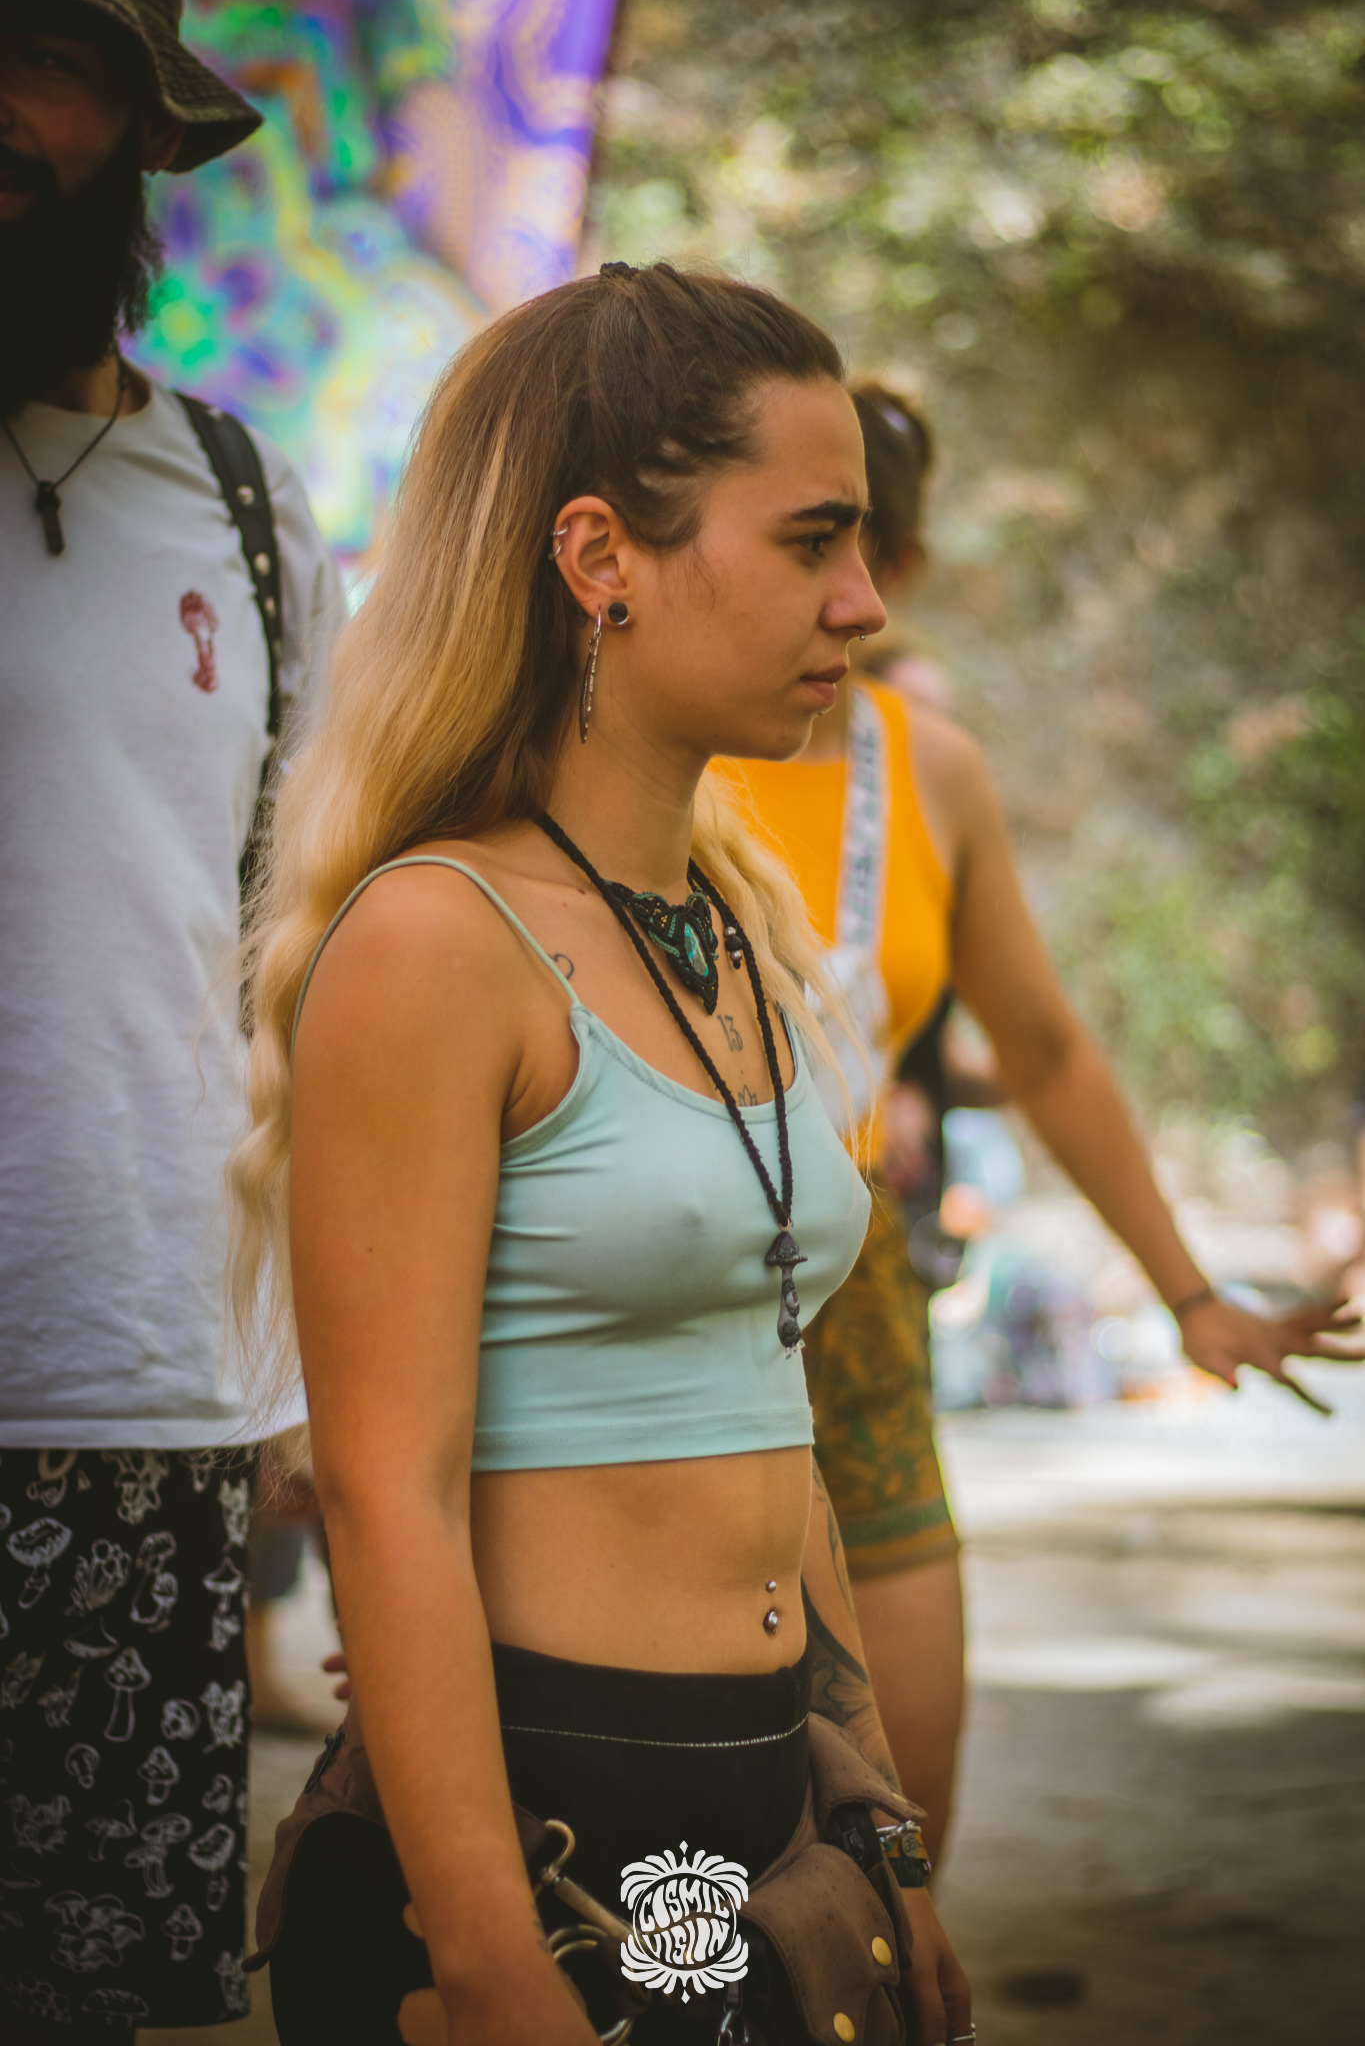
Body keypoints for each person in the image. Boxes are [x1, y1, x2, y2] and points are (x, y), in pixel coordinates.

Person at [227, 263, 972, 2046]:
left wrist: (885, 1846)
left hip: (768, 1804)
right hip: (547, 1817)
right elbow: (388, 1495)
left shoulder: (731, 923)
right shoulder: (436, 940)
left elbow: (778, 1429)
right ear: (598, 558)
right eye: (809, 541)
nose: (862, 602)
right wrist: (489, 1958)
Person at [723, 381, 1364, 1866]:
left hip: (858, 1307)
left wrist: (1190, 1295)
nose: (853, 599)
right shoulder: (637, 751)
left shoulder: (924, 768)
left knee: (894, 1838)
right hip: (662, 1301)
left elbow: (1051, 1052)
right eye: (808, 546)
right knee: (672, 1853)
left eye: (868, 553)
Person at [0, 3, 340, 2037]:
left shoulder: (241, 503)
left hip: (137, 1396)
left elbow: (300, 955)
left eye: (37, 49)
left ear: (134, 125)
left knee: (94, 1995)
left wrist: (312, 1369)